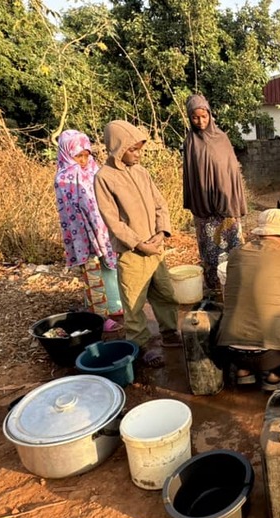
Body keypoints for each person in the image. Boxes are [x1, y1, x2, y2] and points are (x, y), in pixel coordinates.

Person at [94, 120, 181, 368]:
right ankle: (141, 346)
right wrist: (139, 244)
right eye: (133, 149)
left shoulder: (141, 172)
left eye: (140, 149)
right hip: (132, 252)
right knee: (133, 302)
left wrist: (162, 231)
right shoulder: (104, 178)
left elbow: (160, 204)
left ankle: (169, 332)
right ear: (118, 148)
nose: (138, 154)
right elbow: (113, 221)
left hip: (156, 247)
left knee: (165, 293)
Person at [215, 208, 280, 391]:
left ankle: (244, 371)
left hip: (230, 350)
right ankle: (275, 375)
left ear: (260, 233)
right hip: (272, 354)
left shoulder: (236, 254)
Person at [54, 130, 123, 333]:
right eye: (78, 156)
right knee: (93, 276)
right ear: (67, 154)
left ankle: (115, 305)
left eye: (86, 154)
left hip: (104, 230)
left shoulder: (95, 171)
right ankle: (99, 317)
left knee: (111, 269)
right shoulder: (64, 179)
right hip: (83, 237)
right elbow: (70, 213)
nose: (83, 160)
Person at [182, 94, 247, 299]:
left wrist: (231, 201)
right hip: (205, 212)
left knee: (233, 251)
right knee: (211, 254)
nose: (200, 122)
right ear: (189, 118)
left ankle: (236, 289)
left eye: (204, 116)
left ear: (209, 114)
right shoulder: (190, 142)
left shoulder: (222, 138)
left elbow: (232, 173)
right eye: (195, 118)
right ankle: (215, 293)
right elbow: (192, 178)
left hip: (226, 208)